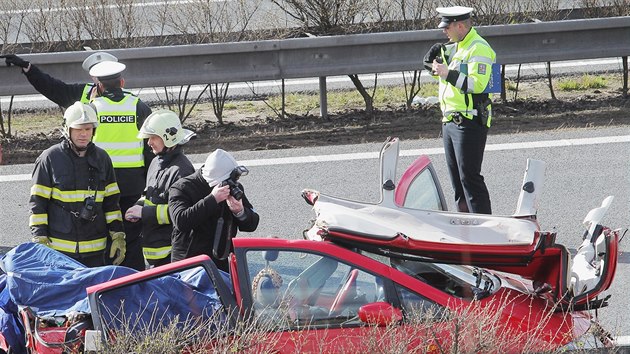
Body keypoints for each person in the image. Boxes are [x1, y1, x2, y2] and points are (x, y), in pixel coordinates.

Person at [28, 102, 126, 267]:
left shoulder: (103, 159)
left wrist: (118, 235)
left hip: (95, 250)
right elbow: (38, 204)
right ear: (67, 129)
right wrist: (40, 239)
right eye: (79, 129)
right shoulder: (50, 158)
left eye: (88, 129)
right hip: (59, 252)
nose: (84, 134)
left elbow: (111, 203)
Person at [423, 6, 496, 214]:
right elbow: (440, 71)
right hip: (450, 121)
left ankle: (484, 229)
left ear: (460, 25)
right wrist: (432, 65)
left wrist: (447, 73)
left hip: (469, 122)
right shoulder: (456, 46)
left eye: (447, 27)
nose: (444, 31)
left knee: (470, 178)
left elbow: (477, 85)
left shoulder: (478, 48)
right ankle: (465, 227)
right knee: (457, 182)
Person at [89, 60, 153, 270]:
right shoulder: (138, 106)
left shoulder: (93, 109)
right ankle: (134, 279)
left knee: (106, 232)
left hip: (102, 183)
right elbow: (150, 148)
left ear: (99, 86)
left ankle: (107, 282)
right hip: (133, 184)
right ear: (122, 82)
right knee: (132, 235)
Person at [124, 109, 196, 267]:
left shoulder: (182, 171)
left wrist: (143, 213)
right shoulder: (157, 162)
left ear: (168, 137)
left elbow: (181, 214)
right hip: (154, 251)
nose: (149, 143)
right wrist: (139, 205)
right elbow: (151, 195)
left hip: (171, 254)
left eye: (153, 137)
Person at [169, 149, 259, 272]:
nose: (233, 185)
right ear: (217, 180)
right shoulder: (182, 188)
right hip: (189, 266)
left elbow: (252, 224)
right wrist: (212, 199)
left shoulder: (232, 187)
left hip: (221, 264)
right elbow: (181, 221)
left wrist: (240, 212)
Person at [0, 52, 119, 108]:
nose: (100, 77)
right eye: (96, 73)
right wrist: (28, 68)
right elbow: (52, 87)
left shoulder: (131, 104)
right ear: (92, 76)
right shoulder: (82, 92)